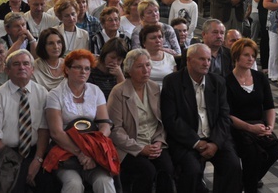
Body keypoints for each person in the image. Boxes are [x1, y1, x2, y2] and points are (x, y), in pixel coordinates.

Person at [160, 43, 242, 193]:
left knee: (233, 165)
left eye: (209, 60)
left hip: (215, 138)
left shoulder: (218, 82)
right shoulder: (172, 82)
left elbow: (224, 116)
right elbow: (171, 120)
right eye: (202, 59)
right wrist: (196, 143)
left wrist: (216, 144)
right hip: (187, 140)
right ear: (189, 60)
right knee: (191, 170)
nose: (207, 63)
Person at [45, 49, 117, 193]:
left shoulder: (96, 91)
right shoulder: (55, 94)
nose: (83, 71)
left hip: (93, 151)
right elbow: (56, 133)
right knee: (74, 184)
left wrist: (93, 151)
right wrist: (80, 153)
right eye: (78, 67)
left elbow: (105, 125)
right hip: (66, 151)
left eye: (87, 68)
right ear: (67, 69)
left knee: (105, 182)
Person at [107, 48, 174, 193]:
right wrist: (140, 149)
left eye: (148, 65)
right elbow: (115, 129)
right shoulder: (118, 92)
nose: (146, 70)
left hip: (153, 143)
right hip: (129, 147)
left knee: (167, 169)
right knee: (147, 171)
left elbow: (160, 122)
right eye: (140, 66)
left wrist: (158, 142)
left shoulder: (154, 87)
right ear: (129, 70)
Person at [0, 49, 50, 192]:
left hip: (36, 151)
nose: (22, 67)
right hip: (6, 154)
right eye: (16, 64)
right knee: (15, 186)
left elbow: (44, 130)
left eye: (26, 64)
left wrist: (37, 160)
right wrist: (20, 164)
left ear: (32, 69)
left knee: (48, 183)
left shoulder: (43, 93)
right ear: (7, 70)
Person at [226, 38, 278, 193]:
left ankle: (246, 181)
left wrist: (269, 127)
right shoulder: (227, 81)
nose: (250, 59)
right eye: (246, 55)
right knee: (252, 154)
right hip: (238, 127)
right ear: (236, 57)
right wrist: (250, 128)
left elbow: (269, 107)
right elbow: (227, 115)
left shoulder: (260, 78)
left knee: (274, 150)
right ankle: (250, 186)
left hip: (260, 124)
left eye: (252, 55)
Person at [140, 23, 177, 88]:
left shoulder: (169, 57)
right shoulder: (138, 58)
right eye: (153, 38)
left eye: (160, 37)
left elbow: (175, 81)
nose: (158, 40)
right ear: (144, 42)